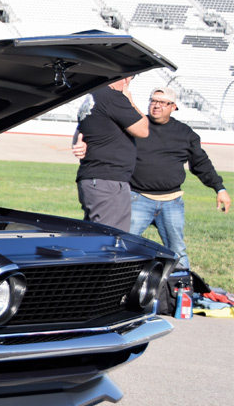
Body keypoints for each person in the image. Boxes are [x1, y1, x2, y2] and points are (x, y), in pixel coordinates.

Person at [128, 87, 229, 270]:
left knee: (177, 251)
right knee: (124, 247)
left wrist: (219, 188)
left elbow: (201, 164)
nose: (156, 106)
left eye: (162, 102)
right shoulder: (136, 126)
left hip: (171, 202)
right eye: (153, 101)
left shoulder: (185, 133)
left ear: (173, 107)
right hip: (137, 198)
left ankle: (182, 291)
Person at [74, 76, 149, 231]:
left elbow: (79, 133)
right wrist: (129, 100)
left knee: (93, 234)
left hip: (94, 179)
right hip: (108, 180)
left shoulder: (93, 97)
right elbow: (142, 130)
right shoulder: (112, 97)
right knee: (109, 239)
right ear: (126, 79)